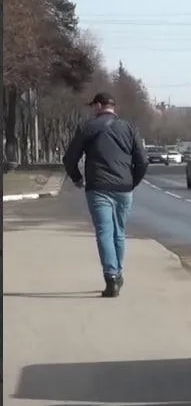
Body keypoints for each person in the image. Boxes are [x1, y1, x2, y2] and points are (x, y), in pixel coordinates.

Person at [61, 92, 147, 298]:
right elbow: (142, 161)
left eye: (94, 106)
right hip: (124, 188)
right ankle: (118, 272)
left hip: (98, 187)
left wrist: (77, 178)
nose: (93, 109)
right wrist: (131, 182)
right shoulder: (129, 128)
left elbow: (69, 158)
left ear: (99, 106)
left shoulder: (88, 127)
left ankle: (112, 278)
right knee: (119, 231)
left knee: (104, 232)